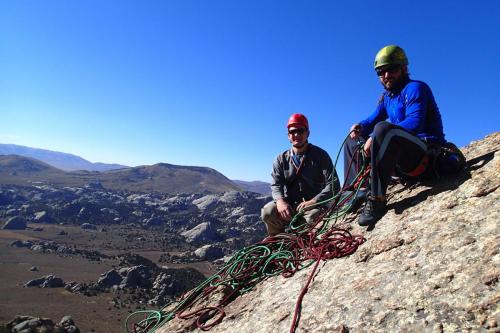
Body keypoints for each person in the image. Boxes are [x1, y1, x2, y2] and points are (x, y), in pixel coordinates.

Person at [344, 45, 464, 227]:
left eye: (391, 69)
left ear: (404, 68)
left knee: (383, 129)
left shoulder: (416, 88)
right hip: (404, 162)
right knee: (352, 139)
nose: (386, 75)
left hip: (425, 155)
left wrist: (375, 136)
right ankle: (357, 191)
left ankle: (377, 198)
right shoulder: (387, 97)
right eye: (381, 72)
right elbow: (372, 119)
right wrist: (360, 127)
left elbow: (414, 123)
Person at [261, 113, 340, 236]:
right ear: (288, 136)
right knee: (268, 212)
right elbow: (276, 184)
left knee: (313, 217)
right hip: (290, 204)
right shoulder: (281, 159)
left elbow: (334, 184)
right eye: (293, 132)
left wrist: (314, 201)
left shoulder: (320, 156)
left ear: (307, 133)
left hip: (312, 206)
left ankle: (302, 240)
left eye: (300, 131)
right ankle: (278, 239)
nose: (296, 135)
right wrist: (281, 202)